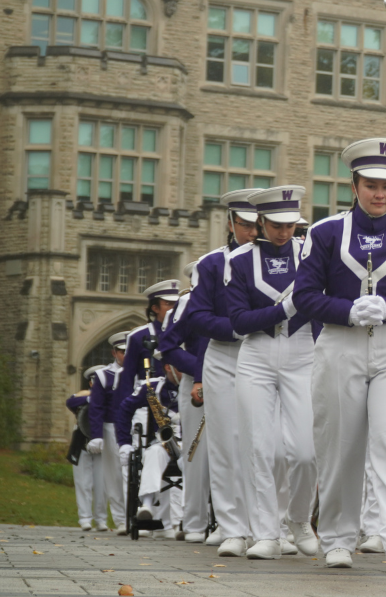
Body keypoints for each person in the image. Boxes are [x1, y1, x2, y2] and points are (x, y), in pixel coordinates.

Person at [295, 138, 386, 572]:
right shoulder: (324, 233)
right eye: (372, 185)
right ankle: (337, 538)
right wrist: (345, 309)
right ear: (355, 184)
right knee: (340, 444)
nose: (380, 194)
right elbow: (304, 296)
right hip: (340, 345)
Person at [226, 185, 319, 560]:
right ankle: (265, 532)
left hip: (304, 351)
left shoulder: (312, 253)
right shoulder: (240, 260)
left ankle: (298, 520)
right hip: (257, 355)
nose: (284, 232)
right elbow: (238, 321)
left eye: (290, 224)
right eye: (276, 225)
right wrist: (283, 310)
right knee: (259, 448)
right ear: (260, 223)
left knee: (304, 452)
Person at [185, 188, 262, 556]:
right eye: (245, 225)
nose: (252, 232)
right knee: (224, 444)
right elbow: (196, 316)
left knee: (263, 442)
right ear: (231, 224)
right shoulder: (211, 264)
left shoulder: (275, 258)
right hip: (225, 354)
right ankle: (231, 525)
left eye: (257, 225)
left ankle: (264, 523)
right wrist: (238, 326)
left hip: (262, 354)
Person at [114, 280, 183, 539]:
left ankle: (175, 520)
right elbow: (126, 379)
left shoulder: (186, 330)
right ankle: (144, 509)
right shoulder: (139, 336)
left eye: (177, 304)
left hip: (183, 398)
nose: (174, 308)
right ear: (154, 307)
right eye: (168, 304)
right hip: (150, 400)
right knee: (145, 454)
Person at [158, 260, 212, 543]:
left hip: (236, 377)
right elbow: (169, 346)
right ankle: (194, 521)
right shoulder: (186, 304)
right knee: (195, 451)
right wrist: (198, 369)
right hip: (194, 379)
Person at [85, 331, 130, 534]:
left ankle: (136, 516)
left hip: (136, 428)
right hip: (112, 427)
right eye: (121, 352)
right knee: (115, 475)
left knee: (136, 474)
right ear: (114, 352)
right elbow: (96, 408)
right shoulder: (104, 375)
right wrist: (96, 435)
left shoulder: (140, 373)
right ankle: (121, 519)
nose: (125, 356)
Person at [69, 371, 106, 531]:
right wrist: (92, 397)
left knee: (101, 484)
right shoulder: (84, 396)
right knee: (83, 482)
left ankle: (101, 519)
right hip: (82, 442)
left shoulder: (109, 396)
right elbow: (71, 402)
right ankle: (84, 518)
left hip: (102, 443)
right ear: (90, 383)